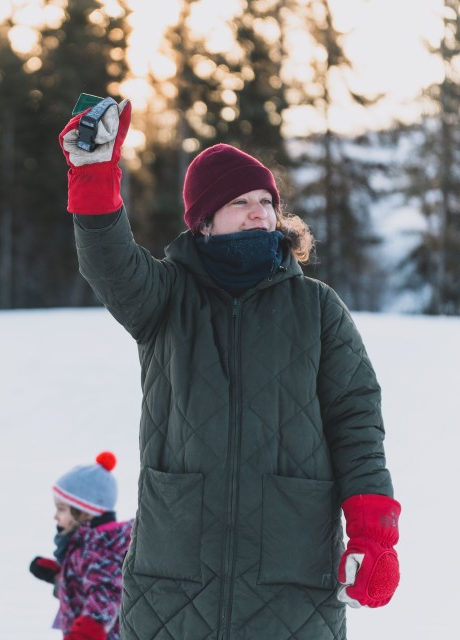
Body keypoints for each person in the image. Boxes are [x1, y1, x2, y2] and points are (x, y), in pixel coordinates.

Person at [58, 101, 401, 639]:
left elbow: (356, 421)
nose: (259, 212)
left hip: (293, 578)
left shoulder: (316, 308)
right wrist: (94, 174)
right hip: (175, 577)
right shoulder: (165, 297)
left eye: (266, 200)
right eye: (240, 202)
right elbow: (109, 263)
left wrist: (373, 535)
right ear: (204, 221)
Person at [29, 452, 133, 640]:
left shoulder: (98, 547)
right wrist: (59, 575)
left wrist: (86, 633)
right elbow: (91, 579)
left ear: (85, 511)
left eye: (61, 509)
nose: (55, 516)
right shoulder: (90, 542)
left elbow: (106, 593)